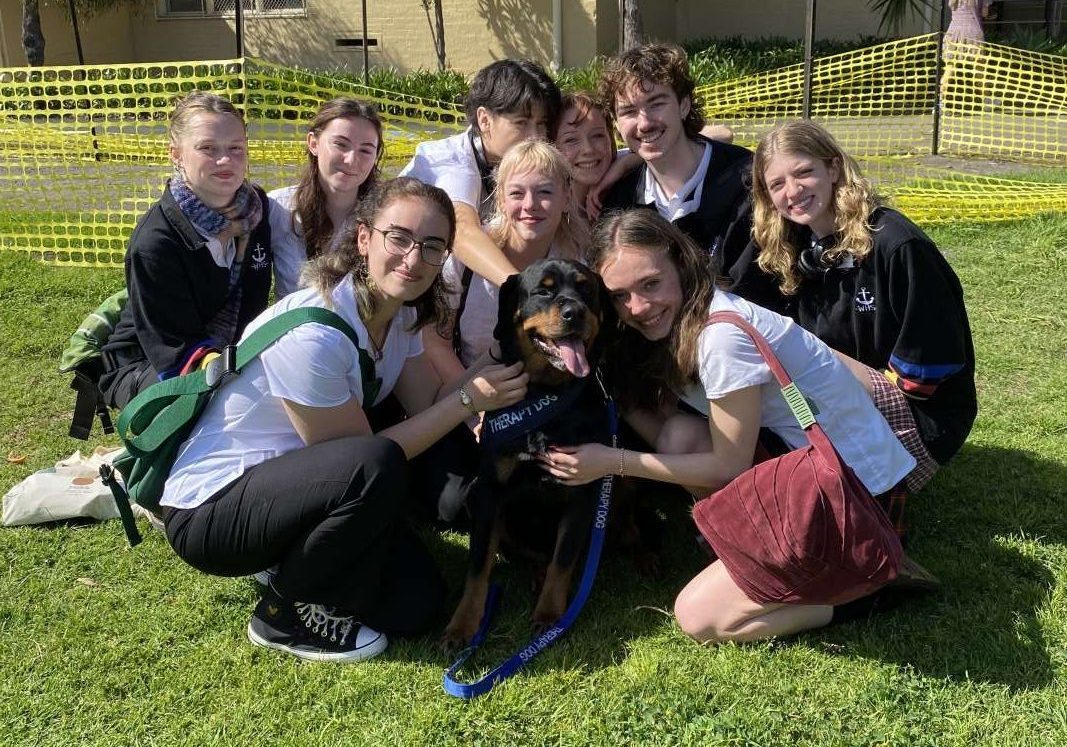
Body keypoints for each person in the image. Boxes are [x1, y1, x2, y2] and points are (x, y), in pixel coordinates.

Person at [159, 177, 529, 662]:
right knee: (373, 463)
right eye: (399, 237)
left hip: (299, 488)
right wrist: (468, 403)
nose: (413, 259)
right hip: (212, 511)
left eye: (432, 247)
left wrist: (495, 359)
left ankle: (286, 557)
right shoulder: (317, 330)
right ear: (363, 238)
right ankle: (281, 617)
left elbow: (429, 402)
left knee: (417, 605)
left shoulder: (400, 317)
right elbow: (363, 459)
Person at [540, 209, 918, 644]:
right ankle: (771, 557)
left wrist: (611, 462)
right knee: (680, 436)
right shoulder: (692, 316)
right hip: (822, 474)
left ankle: (863, 588)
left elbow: (727, 467)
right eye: (621, 296)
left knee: (697, 617)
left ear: (681, 264)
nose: (638, 308)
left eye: (650, 284)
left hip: (859, 501)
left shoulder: (721, 339)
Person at [750, 120, 976, 485]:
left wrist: (841, 396)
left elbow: (926, 372)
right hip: (843, 394)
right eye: (777, 184)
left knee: (789, 344)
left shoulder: (896, 244)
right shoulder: (800, 248)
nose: (792, 191)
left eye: (804, 172)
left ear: (833, 168)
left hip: (920, 416)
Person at [100, 91, 273, 409]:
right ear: (176, 155)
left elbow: (254, 306)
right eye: (208, 148)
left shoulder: (255, 208)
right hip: (147, 364)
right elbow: (173, 348)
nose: (225, 160)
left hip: (227, 349)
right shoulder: (155, 243)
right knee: (239, 402)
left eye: (236, 148)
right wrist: (235, 372)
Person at [424, 139, 587, 384]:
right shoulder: (466, 260)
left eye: (544, 192)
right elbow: (436, 342)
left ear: (566, 197)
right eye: (516, 193)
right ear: (500, 199)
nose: (530, 205)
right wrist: (470, 408)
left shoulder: (576, 260)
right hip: (472, 392)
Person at [400, 59, 562, 287]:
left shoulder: (512, 158)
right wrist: (521, 290)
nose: (535, 136)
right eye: (522, 123)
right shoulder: (451, 161)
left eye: (541, 124)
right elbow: (463, 232)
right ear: (484, 120)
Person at [597, 44, 752, 277]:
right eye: (628, 111)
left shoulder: (748, 183)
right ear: (617, 125)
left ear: (684, 105)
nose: (644, 123)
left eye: (656, 104)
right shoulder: (620, 203)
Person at [269, 97, 383, 298]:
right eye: (340, 144)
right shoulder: (277, 208)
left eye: (365, 150)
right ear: (313, 143)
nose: (351, 159)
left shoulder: (384, 214)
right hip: (294, 326)